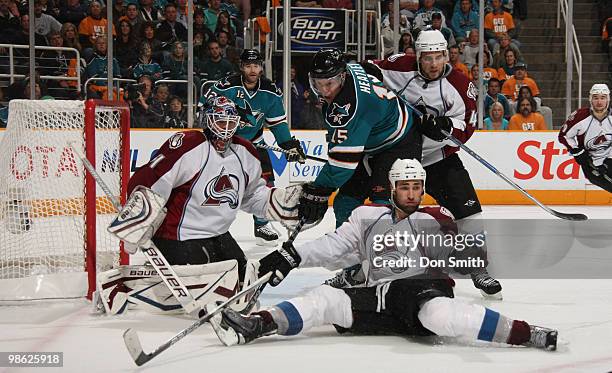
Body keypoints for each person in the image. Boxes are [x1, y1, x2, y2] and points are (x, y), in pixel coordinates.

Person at [208, 159, 558, 351]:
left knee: (440, 316)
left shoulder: (436, 219)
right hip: (378, 302)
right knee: (325, 298)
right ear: (392, 189)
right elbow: (334, 246)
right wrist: (292, 255)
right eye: (404, 187)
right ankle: (257, 325)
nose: (411, 193)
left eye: (416, 187)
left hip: (422, 293)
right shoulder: (366, 216)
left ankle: (527, 334)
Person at [363, 29, 503, 298]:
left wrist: (445, 127)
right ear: (418, 57)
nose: (434, 63)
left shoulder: (460, 86)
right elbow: (372, 70)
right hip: (399, 157)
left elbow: (467, 125)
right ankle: (377, 265)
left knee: (469, 213)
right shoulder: (401, 65)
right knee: (386, 213)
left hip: (439, 158)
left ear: (446, 55)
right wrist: (360, 68)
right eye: (427, 58)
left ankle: (478, 266)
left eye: (439, 57)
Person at [119, 96, 302, 281]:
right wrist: (136, 223)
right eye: (221, 122)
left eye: (231, 124)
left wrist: (282, 204)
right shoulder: (189, 145)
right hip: (178, 236)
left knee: (243, 284)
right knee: (207, 293)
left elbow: (253, 195)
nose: (225, 130)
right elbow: (151, 179)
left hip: (219, 235)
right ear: (209, 120)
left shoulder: (246, 152)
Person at [299, 48, 422, 230]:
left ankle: (387, 250)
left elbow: (342, 166)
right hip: (371, 141)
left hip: (399, 142)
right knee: (344, 204)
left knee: (382, 205)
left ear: (342, 77)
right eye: (318, 84)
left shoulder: (349, 108)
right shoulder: (349, 69)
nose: (324, 91)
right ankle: (347, 249)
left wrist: (318, 190)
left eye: (329, 84)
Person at [205, 49, 306, 246]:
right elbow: (206, 109)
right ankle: (209, 225)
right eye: (248, 65)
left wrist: (288, 144)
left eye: (256, 65)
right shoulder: (226, 87)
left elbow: (277, 123)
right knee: (216, 184)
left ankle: (261, 225)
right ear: (241, 67)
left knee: (265, 181)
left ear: (261, 67)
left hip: (254, 143)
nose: (253, 70)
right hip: (224, 143)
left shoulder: (270, 91)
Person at [559, 83, 612, 192]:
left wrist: (608, 161)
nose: (599, 102)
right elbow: (563, 136)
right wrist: (577, 151)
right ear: (590, 99)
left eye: (603, 98)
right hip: (590, 163)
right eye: (595, 98)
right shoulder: (580, 116)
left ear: (608, 99)